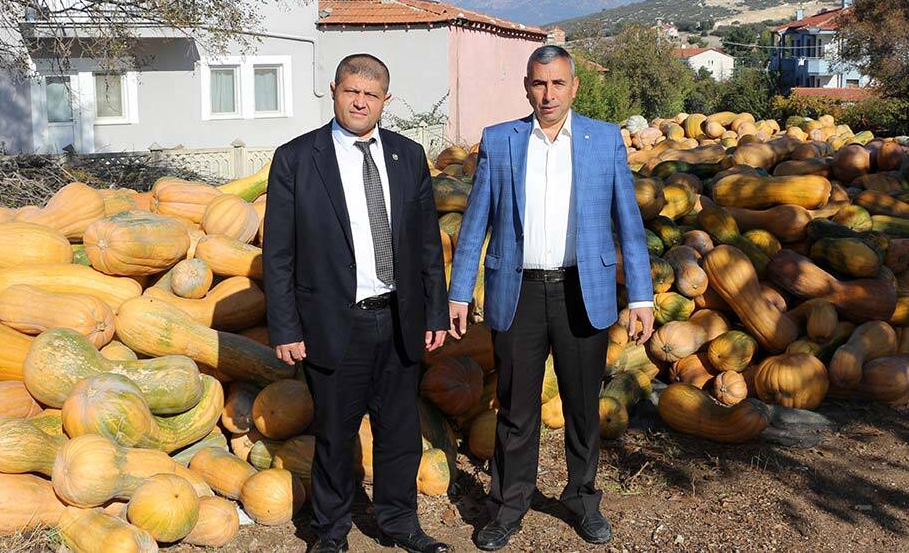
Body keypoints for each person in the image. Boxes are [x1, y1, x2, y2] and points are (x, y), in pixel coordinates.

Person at [447, 45, 655, 550]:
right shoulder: (501, 141)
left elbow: (629, 224)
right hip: (517, 291)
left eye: (557, 83)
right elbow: (476, 222)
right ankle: (507, 507)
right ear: (526, 86)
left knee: (583, 405)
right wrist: (458, 290)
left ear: (574, 87)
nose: (548, 94)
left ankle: (583, 499)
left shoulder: (603, 140)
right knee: (517, 408)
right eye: (539, 84)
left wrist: (643, 297)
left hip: (582, 291)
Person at [263, 53, 450, 553]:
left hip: (398, 319)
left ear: (386, 99)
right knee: (334, 436)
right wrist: (285, 327)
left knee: (400, 432)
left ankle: (399, 523)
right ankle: (330, 532)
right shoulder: (297, 159)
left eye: (371, 94)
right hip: (331, 322)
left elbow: (428, 244)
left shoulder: (408, 156)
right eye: (352, 91)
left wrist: (434, 311)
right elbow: (277, 254)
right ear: (334, 90)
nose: (360, 102)